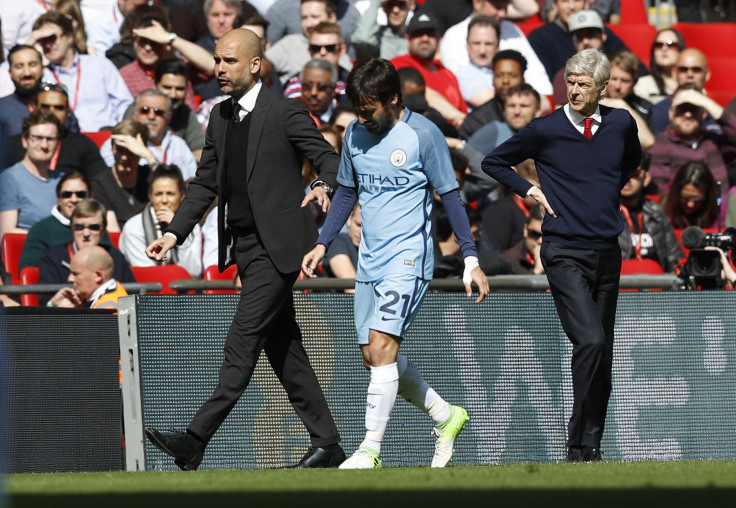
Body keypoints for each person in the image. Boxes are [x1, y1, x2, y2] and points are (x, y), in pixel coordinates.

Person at [143, 27, 345, 470]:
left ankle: (196, 437)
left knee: (241, 342)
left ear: (255, 64)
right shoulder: (218, 117)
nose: (219, 68)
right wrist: (175, 233)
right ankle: (328, 444)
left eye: (229, 60)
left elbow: (330, 159)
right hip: (246, 250)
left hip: (281, 249)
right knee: (284, 349)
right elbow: (205, 185)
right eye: (216, 60)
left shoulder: (286, 111)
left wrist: (319, 183)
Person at [301, 57, 489, 469]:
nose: (363, 119)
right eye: (358, 111)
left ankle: (370, 450)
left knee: (384, 346)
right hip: (370, 257)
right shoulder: (353, 132)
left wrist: (470, 258)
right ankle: (446, 415)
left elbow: (451, 196)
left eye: (370, 110)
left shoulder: (423, 134)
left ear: (394, 99)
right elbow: (347, 193)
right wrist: (322, 243)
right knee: (372, 355)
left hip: (409, 257)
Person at [482, 48, 642, 461]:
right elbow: (494, 162)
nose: (574, 89)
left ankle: (591, 446)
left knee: (601, 350)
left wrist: (606, 190)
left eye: (583, 83)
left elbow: (632, 160)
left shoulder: (621, 122)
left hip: (607, 251)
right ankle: (576, 446)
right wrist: (530, 190)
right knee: (589, 340)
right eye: (570, 80)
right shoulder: (546, 128)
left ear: (603, 88)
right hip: (563, 250)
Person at [31, 11, 133, 131]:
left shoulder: (99, 65)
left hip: (105, 137)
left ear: (69, 37)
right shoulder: (40, 75)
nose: (48, 45)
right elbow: (7, 75)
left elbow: (124, 104)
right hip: (67, 141)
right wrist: (31, 40)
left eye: (52, 38)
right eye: (42, 40)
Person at [439, 0, 553, 99]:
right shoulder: (455, 36)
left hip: (530, 107)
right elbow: (471, 90)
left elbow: (537, 77)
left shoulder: (511, 28)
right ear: (478, 2)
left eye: (506, 7)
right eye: (497, 7)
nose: (503, 13)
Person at [646, 85, 736, 204]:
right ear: (671, 113)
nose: (688, 114)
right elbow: (659, 194)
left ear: (704, 114)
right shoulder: (659, 145)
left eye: (694, 109)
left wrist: (707, 102)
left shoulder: (713, 140)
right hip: (680, 217)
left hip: (721, 217)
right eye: (682, 109)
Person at [3, 82, 107, 178]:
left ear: (68, 113)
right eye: (45, 106)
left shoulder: (83, 145)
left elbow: (101, 184)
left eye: (59, 107)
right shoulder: (11, 146)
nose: (52, 112)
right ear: (34, 109)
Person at [39, 199, 135, 297]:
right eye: (79, 227)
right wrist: (54, 304)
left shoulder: (115, 257)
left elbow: (132, 296)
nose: (86, 233)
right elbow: (44, 300)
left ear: (103, 231)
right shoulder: (53, 258)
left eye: (94, 227)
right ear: (71, 229)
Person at [119, 165, 203, 277]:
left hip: (186, 291)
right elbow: (146, 275)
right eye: (158, 194)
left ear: (182, 195)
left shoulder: (193, 227)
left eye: (170, 194)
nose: (164, 200)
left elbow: (193, 271)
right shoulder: (134, 227)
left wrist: (179, 228)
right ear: (150, 196)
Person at [18, 171, 108, 271]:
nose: (74, 199)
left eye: (81, 194)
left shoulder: (97, 227)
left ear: (90, 197)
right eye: (67, 194)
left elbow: (110, 261)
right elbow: (28, 270)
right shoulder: (41, 230)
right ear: (58, 198)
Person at [100, 90, 198, 180]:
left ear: (169, 118)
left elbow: (192, 180)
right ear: (135, 115)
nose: (151, 116)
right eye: (145, 110)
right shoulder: (118, 144)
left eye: (158, 112)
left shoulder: (178, 144)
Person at [390, 11, 468, 125]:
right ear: (408, 40)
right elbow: (423, 94)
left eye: (430, 34)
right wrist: (460, 117)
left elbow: (463, 112)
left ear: (439, 39)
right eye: (418, 34)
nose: (425, 38)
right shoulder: (398, 64)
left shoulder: (448, 74)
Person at [0, 110, 63, 241]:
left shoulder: (63, 180)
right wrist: (52, 238)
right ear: (25, 140)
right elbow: (7, 233)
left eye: (50, 139)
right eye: (37, 138)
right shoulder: (10, 179)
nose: (44, 145)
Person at [619, 155, 683, 273]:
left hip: (657, 287)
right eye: (621, 171)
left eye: (634, 173)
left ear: (646, 178)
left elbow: (675, 259)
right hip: (620, 287)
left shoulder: (656, 211)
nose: (627, 178)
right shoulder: (604, 213)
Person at [89, 119, 152, 227]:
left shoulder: (150, 176)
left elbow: (169, 185)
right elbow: (112, 230)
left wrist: (149, 157)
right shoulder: (100, 184)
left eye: (130, 151)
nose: (124, 157)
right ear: (112, 149)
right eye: (119, 150)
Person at [457, 49, 526, 140]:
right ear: (492, 80)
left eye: (512, 75)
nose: (505, 81)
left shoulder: (533, 115)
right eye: (499, 75)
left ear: (523, 80)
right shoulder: (476, 122)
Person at [649, 48, 711, 135]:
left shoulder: (715, 111)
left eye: (696, 69)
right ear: (674, 73)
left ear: (707, 74)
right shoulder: (659, 111)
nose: (690, 74)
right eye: (683, 69)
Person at [468, 83, 540, 156]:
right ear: (504, 109)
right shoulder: (495, 130)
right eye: (511, 106)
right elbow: (465, 157)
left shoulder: (545, 138)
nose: (517, 111)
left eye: (523, 106)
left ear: (537, 110)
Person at [48, 245, 129, 310]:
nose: (70, 279)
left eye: (75, 274)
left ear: (98, 276)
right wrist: (53, 305)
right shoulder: (110, 294)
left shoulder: (107, 308)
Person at [0, 46, 45, 151]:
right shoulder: (2, 109)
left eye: (32, 64)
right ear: (10, 73)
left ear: (43, 69)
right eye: (19, 66)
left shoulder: (56, 105)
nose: (27, 73)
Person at [454, 15, 500, 110]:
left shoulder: (504, 70)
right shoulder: (464, 73)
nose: (482, 51)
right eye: (476, 43)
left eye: (488, 44)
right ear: (467, 45)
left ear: (497, 46)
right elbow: (493, 105)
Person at [633, 28, 686, 105]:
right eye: (659, 45)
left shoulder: (691, 82)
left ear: (681, 50)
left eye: (671, 45)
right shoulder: (642, 85)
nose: (664, 49)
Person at [662, 161, 720, 230]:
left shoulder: (718, 208)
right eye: (685, 197)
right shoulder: (666, 208)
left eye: (697, 198)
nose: (690, 204)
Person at [499, 205, 545, 274]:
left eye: (546, 236)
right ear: (525, 230)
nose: (540, 241)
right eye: (535, 234)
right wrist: (537, 271)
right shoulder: (507, 260)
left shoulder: (561, 258)